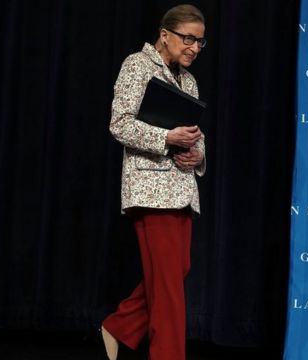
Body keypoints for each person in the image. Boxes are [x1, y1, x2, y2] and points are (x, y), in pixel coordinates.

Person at [100, 4, 207, 360]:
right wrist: (166, 138)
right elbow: (121, 124)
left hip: (182, 188)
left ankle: (119, 327)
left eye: (199, 42)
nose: (193, 47)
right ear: (165, 35)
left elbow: (194, 132)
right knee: (169, 289)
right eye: (188, 38)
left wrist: (198, 155)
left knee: (177, 273)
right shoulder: (137, 65)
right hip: (150, 189)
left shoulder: (188, 80)